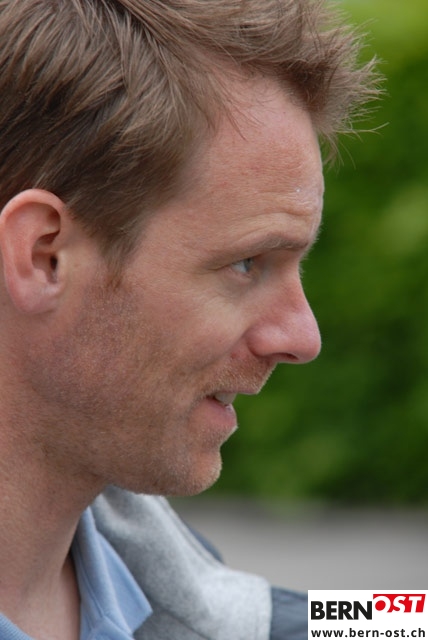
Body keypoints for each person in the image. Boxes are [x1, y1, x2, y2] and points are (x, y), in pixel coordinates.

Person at [0, 1, 379, 638]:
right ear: (44, 256)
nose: (302, 337)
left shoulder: (219, 609)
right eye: (247, 264)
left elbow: (370, 620)